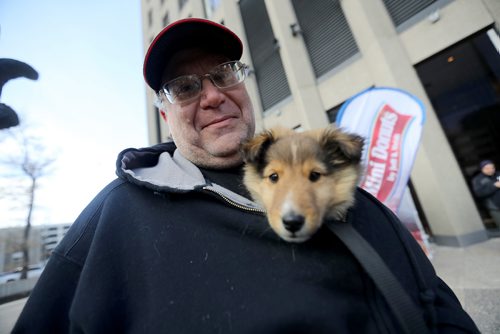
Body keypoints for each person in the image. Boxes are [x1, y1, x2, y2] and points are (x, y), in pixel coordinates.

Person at [13, 18, 479, 333]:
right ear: (164, 112)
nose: (213, 96)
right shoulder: (115, 214)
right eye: (185, 87)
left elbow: (434, 303)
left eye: (223, 74)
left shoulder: (341, 189)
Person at [472, 159, 500, 225]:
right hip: (495, 208)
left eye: (492, 167)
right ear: (482, 169)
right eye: (487, 168)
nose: (491, 169)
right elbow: (479, 193)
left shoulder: (498, 174)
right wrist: (495, 186)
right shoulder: (478, 179)